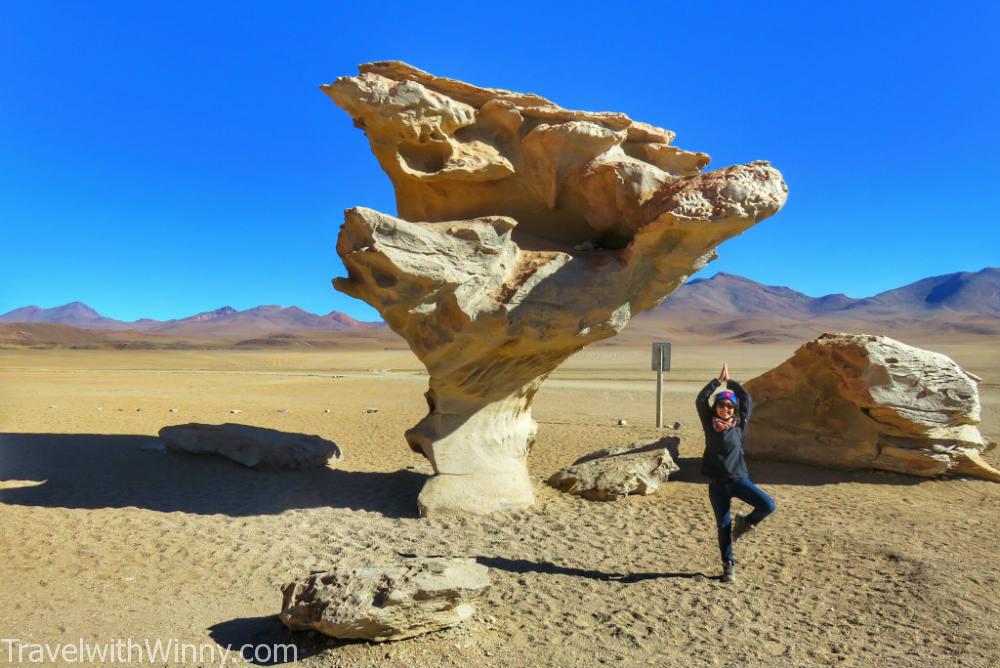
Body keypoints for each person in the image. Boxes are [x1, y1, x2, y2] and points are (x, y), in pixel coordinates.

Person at [696, 362, 776, 583]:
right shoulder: (709, 425)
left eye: (730, 407)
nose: (726, 409)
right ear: (717, 407)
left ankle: (746, 523)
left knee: (768, 505)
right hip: (717, 485)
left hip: (739, 480)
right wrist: (716, 383)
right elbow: (701, 400)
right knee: (723, 526)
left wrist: (730, 382)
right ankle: (728, 566)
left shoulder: (739, 427)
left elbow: (747, 400)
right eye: (722, 405)